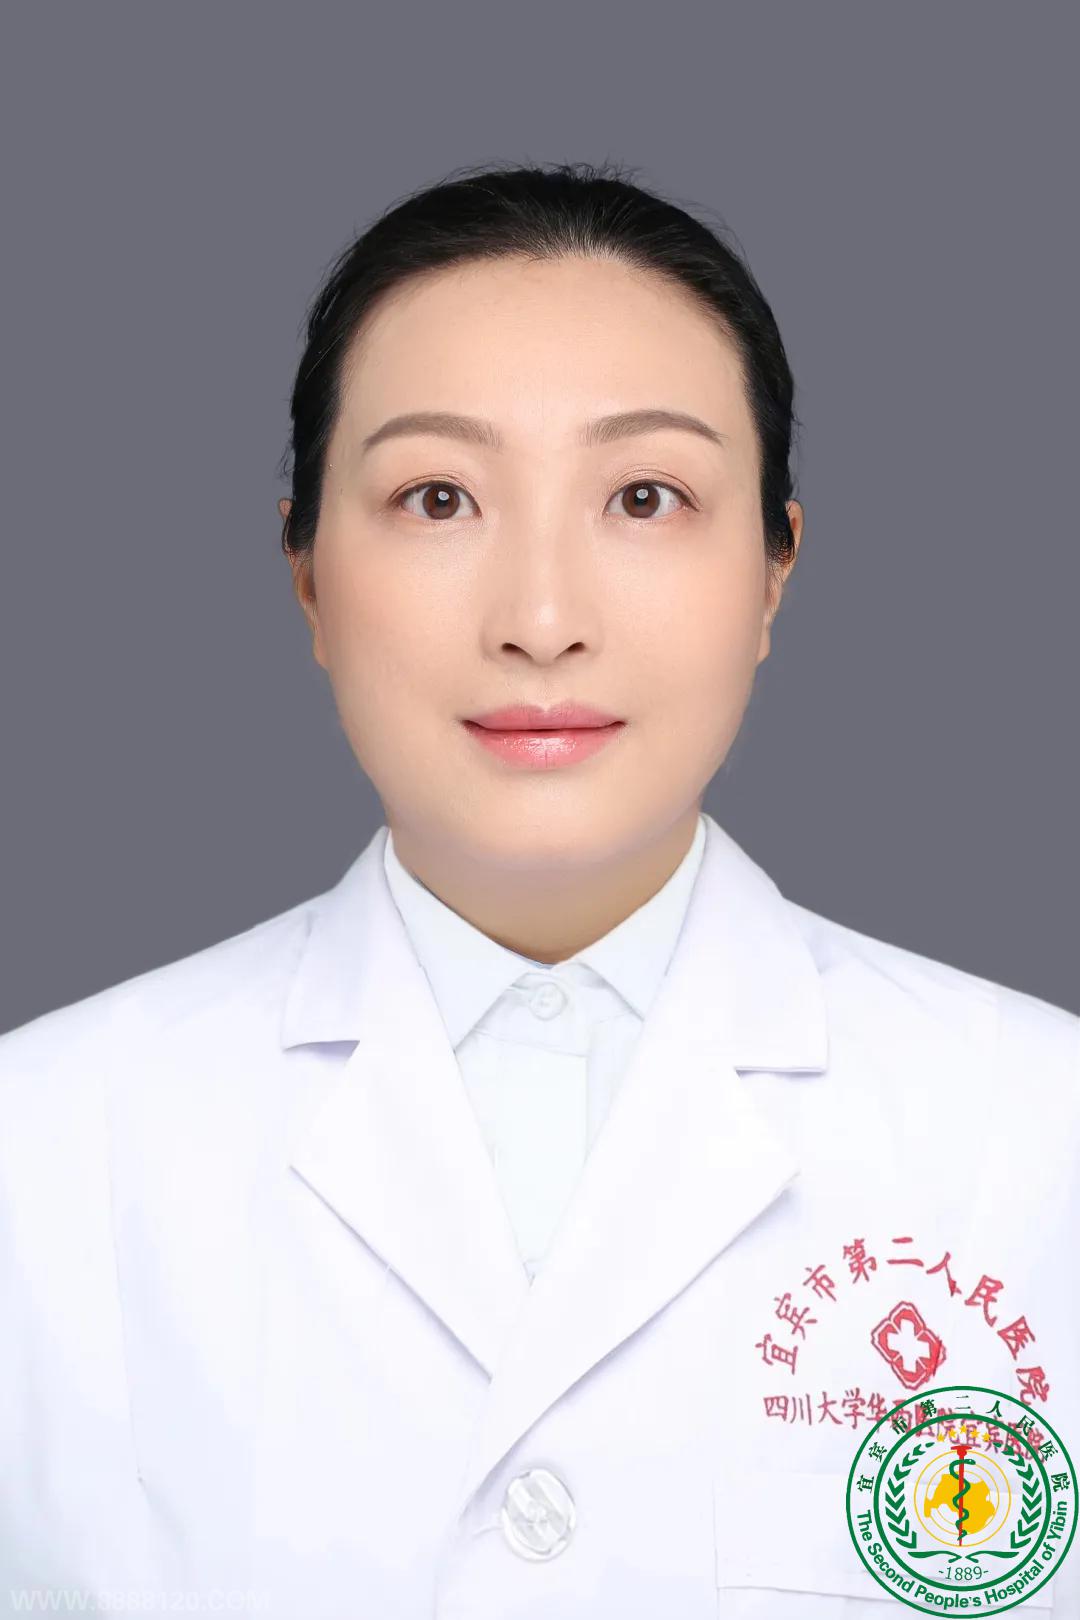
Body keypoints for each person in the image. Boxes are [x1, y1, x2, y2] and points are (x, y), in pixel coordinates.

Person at [1, 160, 1077, 1619]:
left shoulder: (1043, 1137)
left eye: (645, 496)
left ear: (774, 570)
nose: (543, 620)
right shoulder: (41, 1151)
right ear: (307, 572)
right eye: (438, 497)